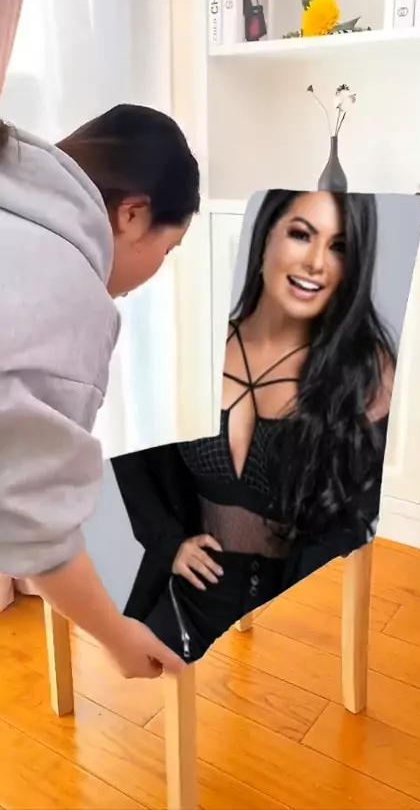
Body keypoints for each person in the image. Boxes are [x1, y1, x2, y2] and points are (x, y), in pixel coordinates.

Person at [111, 190, 396, 663]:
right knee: (143, 666)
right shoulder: (194, 345)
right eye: (301, 234)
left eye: (339, 246)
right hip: (192, 584)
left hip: (298, 596)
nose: (316, 262)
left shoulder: (365, 373)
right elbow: (133, 452)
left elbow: (359, 511)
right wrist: (168, 542)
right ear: (266, 236)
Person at [0, 103, 201, 677]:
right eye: (168, 249)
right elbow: (34, 521)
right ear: (133, 214)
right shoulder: (70, 298)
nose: (158, 270)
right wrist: (116, 637)